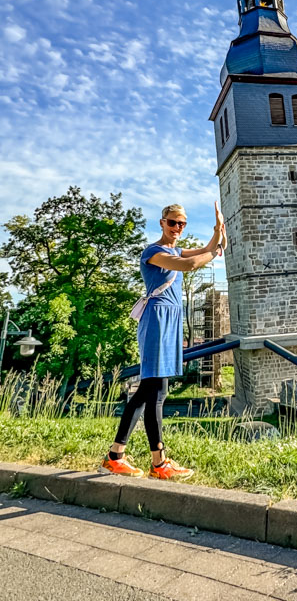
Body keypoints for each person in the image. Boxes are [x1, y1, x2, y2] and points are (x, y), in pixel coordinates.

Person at [100, 202, 226, 480]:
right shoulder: (153, 252)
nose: (177, 228)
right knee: (154, 391)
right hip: (157, 319)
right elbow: (192, 264)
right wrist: (216, 251)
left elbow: (206, 250)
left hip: (170, 320)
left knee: (153, 391)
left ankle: (119, 456)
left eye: (182, 224)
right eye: (173, 223)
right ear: (162, 222)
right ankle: (154, 463)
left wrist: (218, 230)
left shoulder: (174, 249)